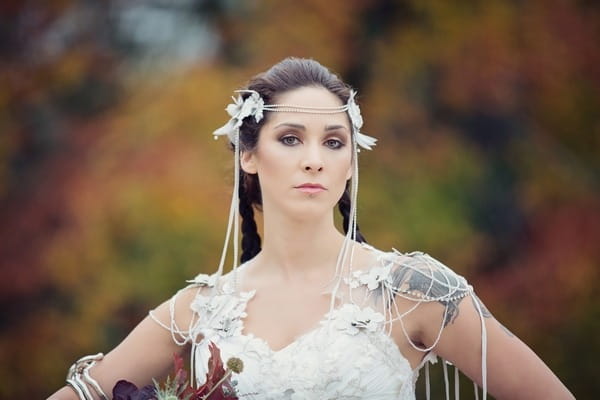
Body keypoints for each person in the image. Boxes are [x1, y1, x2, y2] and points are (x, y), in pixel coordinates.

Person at [49, 57, 574, 400]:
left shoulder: (413, 291)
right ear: (249, 156)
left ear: (351, 162)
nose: (315, 160)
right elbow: (85, 391)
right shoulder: (200, 309)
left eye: (333, 142)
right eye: (292, 138)